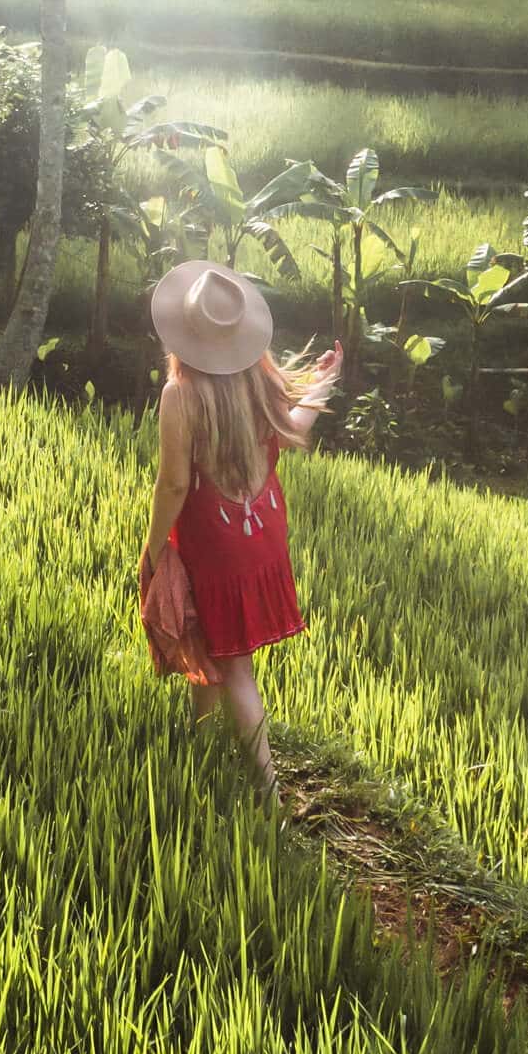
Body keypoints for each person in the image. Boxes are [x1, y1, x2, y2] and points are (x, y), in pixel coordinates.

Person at [137, 259, 342, 795]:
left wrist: (153, 549)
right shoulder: (260, 379)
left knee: (236, 666)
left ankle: (270, 790)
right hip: (263, 532)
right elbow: (295, 427)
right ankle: (198, 740)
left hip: (215, 541)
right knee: (210, 639)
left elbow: (173, 485)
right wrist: (324, 382)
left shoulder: (181, 395)